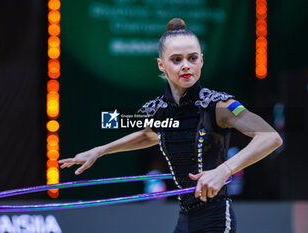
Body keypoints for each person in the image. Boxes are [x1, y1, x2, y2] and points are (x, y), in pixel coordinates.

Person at [59, 18, 283, 233]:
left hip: (215, 219)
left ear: (202, 61)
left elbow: (271, 137)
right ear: (161, 65)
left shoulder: (218, 105)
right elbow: (149, 135)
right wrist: (100, 150)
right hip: (185, 218)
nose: (186, 66)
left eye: (192, 58)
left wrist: (224, 170)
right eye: (176, 60)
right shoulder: (159, 110)